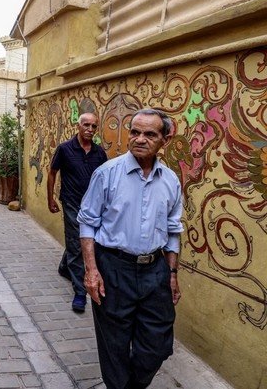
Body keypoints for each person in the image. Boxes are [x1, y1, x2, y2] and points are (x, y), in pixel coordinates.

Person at [77, 108, 183, 389]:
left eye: (150, 134)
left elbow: (173, 230)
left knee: (157, 345)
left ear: (164, 140)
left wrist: (172, 273)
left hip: (155, 271)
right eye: (135, 132)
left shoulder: (171, 181)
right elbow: (87, 223)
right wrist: (91, 271)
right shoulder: (107, 174)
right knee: (115, 344)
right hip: (113, 267)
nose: (139, 139)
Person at [47, 112, 107, 312]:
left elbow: (105, 181)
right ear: (78, 126)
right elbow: (52, 173)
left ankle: (65, 267)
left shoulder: (99, 153)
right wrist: (50, 199)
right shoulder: (65, 149)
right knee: (75, 242)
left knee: (83, 240)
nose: (90, 130)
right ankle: (80, 292)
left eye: (94, 127)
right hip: (72, 202)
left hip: (93, 206)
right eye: (86, 125)